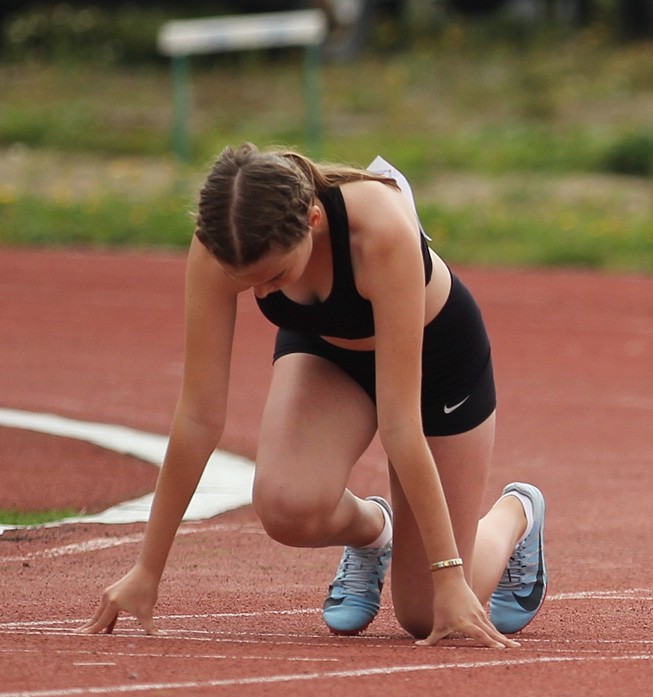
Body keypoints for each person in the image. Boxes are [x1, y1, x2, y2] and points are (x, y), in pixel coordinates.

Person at [82, 144, 548, 647]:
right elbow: (198, 417)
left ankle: (515, 514)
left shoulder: (379, 230)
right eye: (248, 283)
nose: (263, 296)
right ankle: (375, 532)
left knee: (423, 611)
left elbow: (400, 427)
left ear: (313, 219)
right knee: (287, 506)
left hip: (439, 364)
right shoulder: (225, 240)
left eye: (276, 276)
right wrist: (147, 571)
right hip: (329, 355)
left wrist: (450, 578)